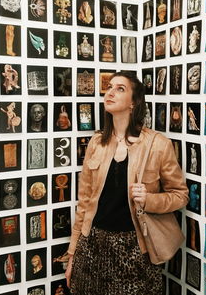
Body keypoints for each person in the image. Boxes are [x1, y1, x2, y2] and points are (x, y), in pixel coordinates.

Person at [65, 72, 188, 294]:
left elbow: (180, 195)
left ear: (134, 102)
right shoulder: (96, 142)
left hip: (135, 250)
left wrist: (149, 200)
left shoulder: (158, 145)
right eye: (109, 87)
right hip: (91, 246)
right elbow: (84, 202)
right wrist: (73, 252)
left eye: (120, 88)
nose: (110, 92)